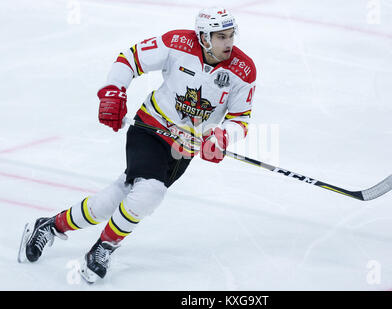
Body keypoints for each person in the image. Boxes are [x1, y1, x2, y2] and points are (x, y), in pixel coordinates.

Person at [18, 7, 256, 283]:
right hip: (150, 128)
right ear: (204, 37)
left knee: (120, 196)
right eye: (221, 37)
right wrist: (114, 89)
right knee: (150, 192)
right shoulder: (177, 43)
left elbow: (240, 119)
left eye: (231, 36)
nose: (229, 43)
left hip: (183, 149)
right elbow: (129, 58)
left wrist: (221, 136)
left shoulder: (244, 70)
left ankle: (50, 225)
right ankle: (103, 247)